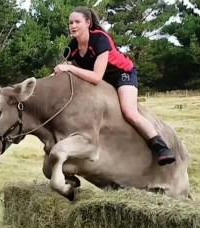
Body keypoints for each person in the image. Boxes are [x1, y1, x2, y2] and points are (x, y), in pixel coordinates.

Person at [53, 7, 176, 166]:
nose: (73, 26)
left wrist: (70, 67)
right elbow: (65, 70)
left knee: (129, 112)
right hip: (103, 79)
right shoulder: (72, 47)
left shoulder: (100, 40)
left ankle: (161, 147)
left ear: (88, 23)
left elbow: (96, 77)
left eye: (77, 22)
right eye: (70, 22)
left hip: (122, 74)